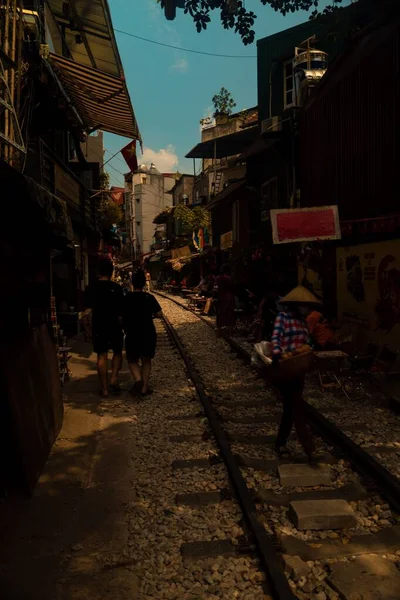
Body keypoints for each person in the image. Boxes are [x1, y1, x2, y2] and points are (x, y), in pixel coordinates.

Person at [271, 285, 321, 462]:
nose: (306, 308)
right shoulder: (282, 318)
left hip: (300, 368)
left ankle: (280, 443)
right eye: (302, 305)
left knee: (290, 408)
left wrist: (306, 349)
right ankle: (309, 447)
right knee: (297, 406)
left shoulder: (302, 321)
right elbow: (276, 341)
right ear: (295, 304)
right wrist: (281, 354)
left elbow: (308, 342)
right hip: (286, 368)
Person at [85, 259, 124, 398]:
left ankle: (105, 389)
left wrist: (87, 330)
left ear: (98, 272)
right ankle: (113, 378)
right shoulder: (117, 288)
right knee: (118, 352)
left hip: (99, 325)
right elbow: (121, 313)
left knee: (101, 356)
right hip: (114, 325)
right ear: (111, 272)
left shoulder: (91, 287)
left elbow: (87, 311)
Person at [123, 269, 162, 397]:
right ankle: (144, 387)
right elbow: (159, 314)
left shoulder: (126, 298)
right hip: (148, 331)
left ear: (132, 283)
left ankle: (138, 381)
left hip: (132, 332)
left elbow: (120, 316)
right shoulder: (149, 297)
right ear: (144, 284)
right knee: (146, 359)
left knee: (132, 359)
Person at [215, 264, 235, 332]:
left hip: (221, 296)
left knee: (220, 312)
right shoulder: (229, 278)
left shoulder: (218, 278)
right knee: (229, 312)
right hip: (229, 296)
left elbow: (216, 288)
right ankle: (229, 327)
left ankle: (219, 327)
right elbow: (233, 288)